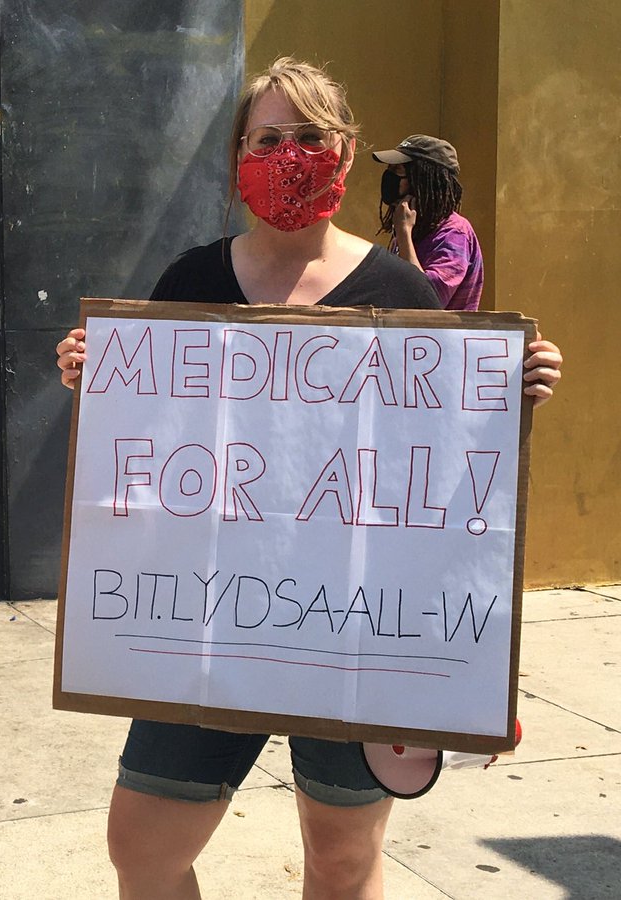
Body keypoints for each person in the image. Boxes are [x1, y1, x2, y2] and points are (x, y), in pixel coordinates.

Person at [56, 57, 563, 900]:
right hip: (207, 623)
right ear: (238, 156)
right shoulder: (191, 282)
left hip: (352, 635)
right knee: (141, 848)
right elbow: (148, 438)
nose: (288, 154)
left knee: (341, 860)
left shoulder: (399, 290)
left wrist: (508, 395)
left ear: (345, 148)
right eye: (268, 139)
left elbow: (438, 467)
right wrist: (96, 377)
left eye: (308, 137)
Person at [374, 134, 484, 311]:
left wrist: (403, 233)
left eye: (398, 171)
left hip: (442, 338)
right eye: (389, 169)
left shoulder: (454, 233)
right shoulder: (415, 231)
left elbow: (426, 301)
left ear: (425, 179)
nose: (389, 177)